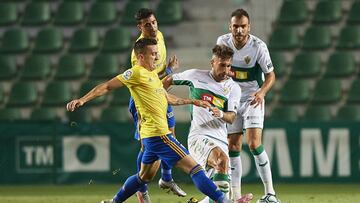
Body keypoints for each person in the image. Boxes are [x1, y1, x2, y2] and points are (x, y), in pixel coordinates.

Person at [67, 38, 244, 203]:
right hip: (160, 135)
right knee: (195, 169)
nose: (157, 56)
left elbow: (167, 98)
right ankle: (224, 201)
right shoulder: (134, 73)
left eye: (156, 53)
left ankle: (114, 201)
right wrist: (82, 99)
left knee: (143, 177)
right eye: (153, 53)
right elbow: (106, 86)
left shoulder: (151, 76)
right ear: (141, 56)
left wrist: (192, 101)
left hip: (151, 137)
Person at [164, 45, 253, 203]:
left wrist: (221, 114)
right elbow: (165, 83)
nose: (225, 70)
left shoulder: (233, 88)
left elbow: (232, 117)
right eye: (222, 65)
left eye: (228, 66)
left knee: (220, 193)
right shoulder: (195, 76)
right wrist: (162, 102)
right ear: (212, 62)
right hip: (199, 137)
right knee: (222, 161)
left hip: (220, 140)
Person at [216, 8, 280, 203]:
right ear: (230, 27)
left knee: (253, 143)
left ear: (249, 27)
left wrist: (261, 93)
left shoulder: (258, 47)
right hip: (232, 99)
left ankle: (270, 193)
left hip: (253, 98)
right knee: (233, 145)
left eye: (243, 26)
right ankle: (236, 196)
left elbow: (271, 76)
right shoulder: (222, 42)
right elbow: (218, 68)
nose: (239, 30)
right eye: (236, 26)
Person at [128, 8, 186, 202]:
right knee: (148, 147)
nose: (152, 27)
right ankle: (141, 188)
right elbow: (147, 81)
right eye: (147, 24)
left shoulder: (158, 35)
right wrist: (170, 69)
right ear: (139, 27)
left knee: (170, 134)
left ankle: (166, 178)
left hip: (159, 94)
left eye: (153, 22)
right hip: (144, 99)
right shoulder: (139, 53)